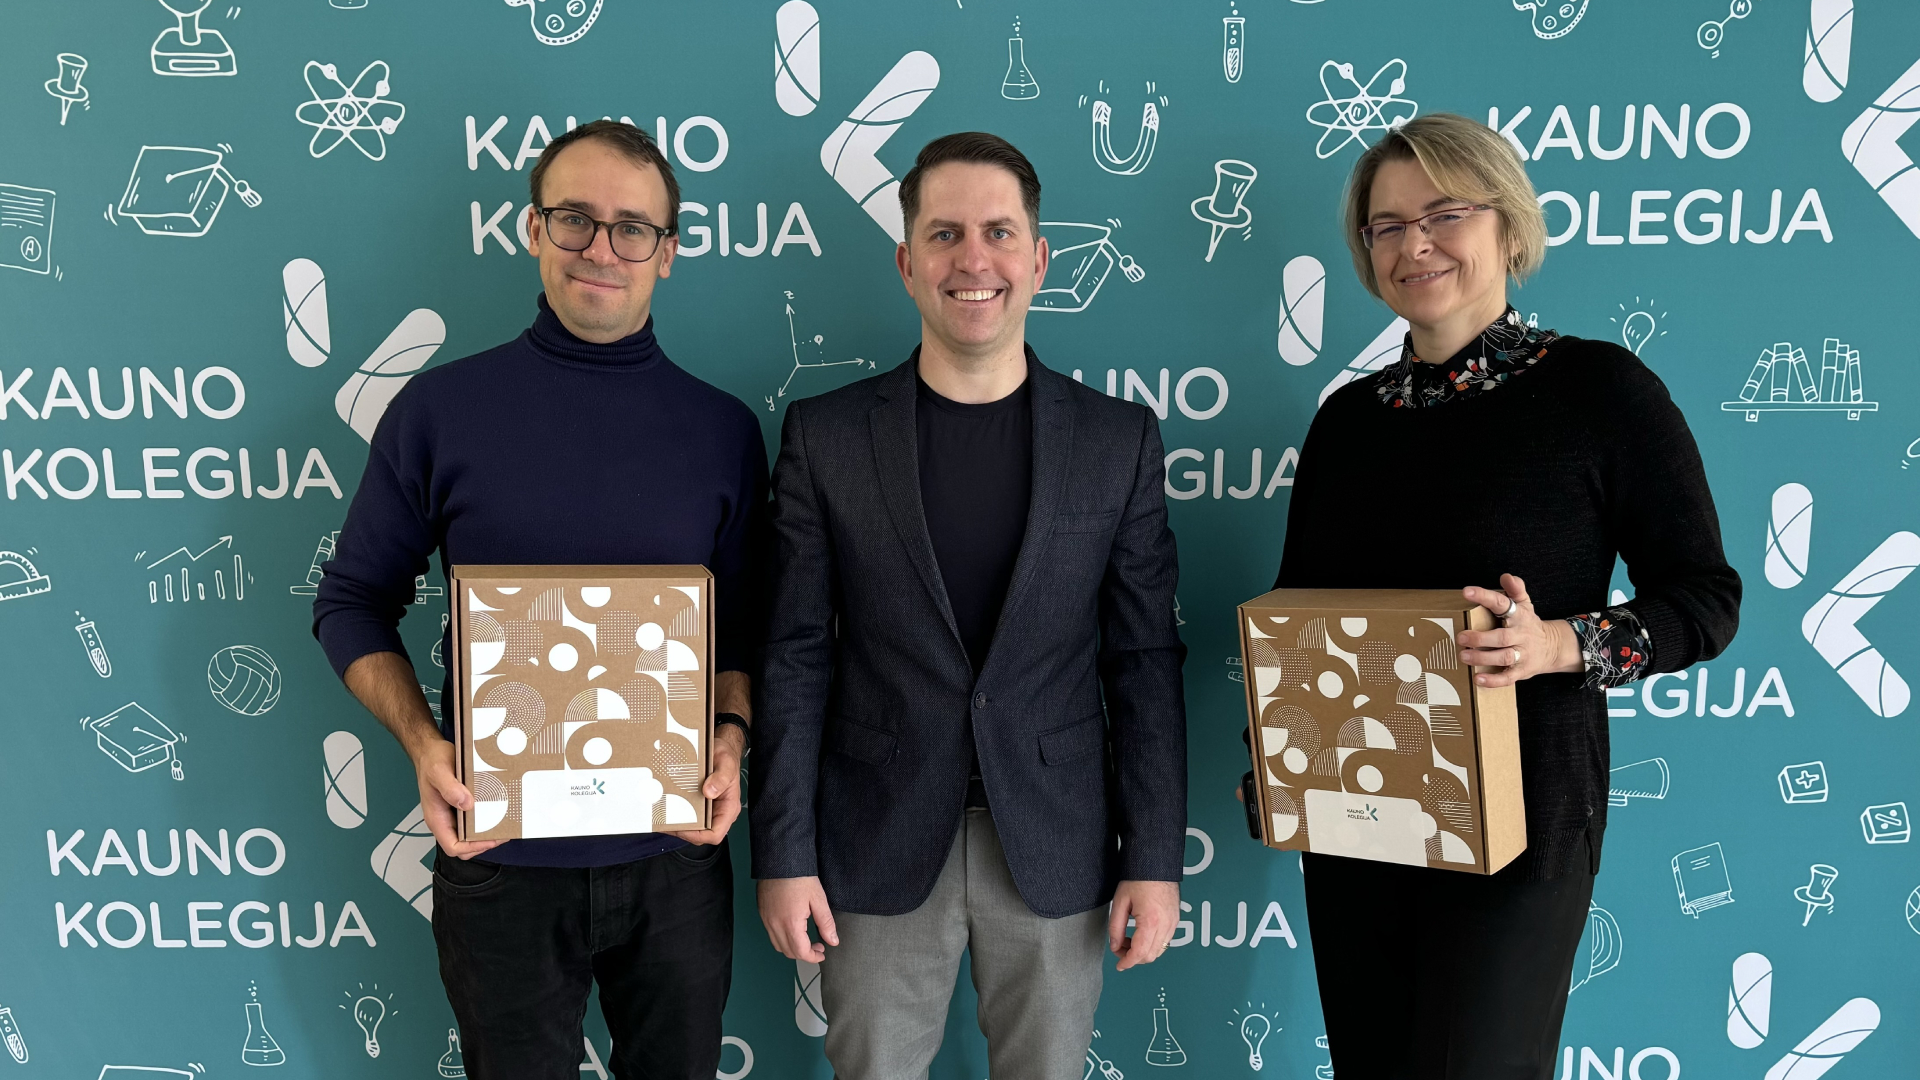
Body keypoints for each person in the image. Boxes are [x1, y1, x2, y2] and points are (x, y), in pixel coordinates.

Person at [1272, 113, 1741, 1079]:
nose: (1415, 245)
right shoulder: (1347, 422)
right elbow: (1298, 612)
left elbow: (1706, 598)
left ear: (1508, 224)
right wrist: (1281, 762)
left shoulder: (1599, 389)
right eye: (1387, 226)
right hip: (1359, 821)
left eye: (1445, 214)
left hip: (1523, 821)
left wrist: (1558, 645)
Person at [312, 120, 766, 1080]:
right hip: (501, 858)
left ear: (668, 252)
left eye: (633, 228)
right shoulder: (438, 412)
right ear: (532, 230)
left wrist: (729, 734)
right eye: (575, 219)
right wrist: (425, 745)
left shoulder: (723, 430)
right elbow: (351, 600)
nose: (602, 248)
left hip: (674, 856)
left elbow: (744, 628)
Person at [751, 132, 1188, 1080]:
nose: (973, 259)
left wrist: (1154, 859)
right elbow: (793, 655)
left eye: (999, 232)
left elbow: (1144, 662)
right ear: (907, 262)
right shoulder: (826, 437)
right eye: (944, 234)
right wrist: (782, 853)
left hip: (1056, 842)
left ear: (1040, 258)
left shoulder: (1117, 441)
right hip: (874, 835)